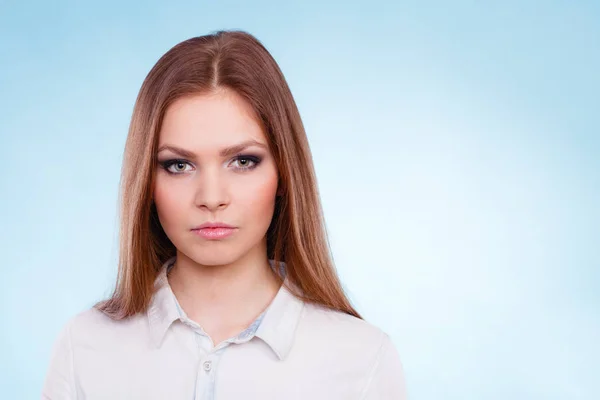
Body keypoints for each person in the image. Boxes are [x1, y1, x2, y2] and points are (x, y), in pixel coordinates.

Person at [41, 30, 407, 399]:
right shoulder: (83, 347)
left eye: (243, 161)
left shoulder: (362, 360)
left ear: (284, 172)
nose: (211, 198)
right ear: (146, 182)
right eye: (179, 165)